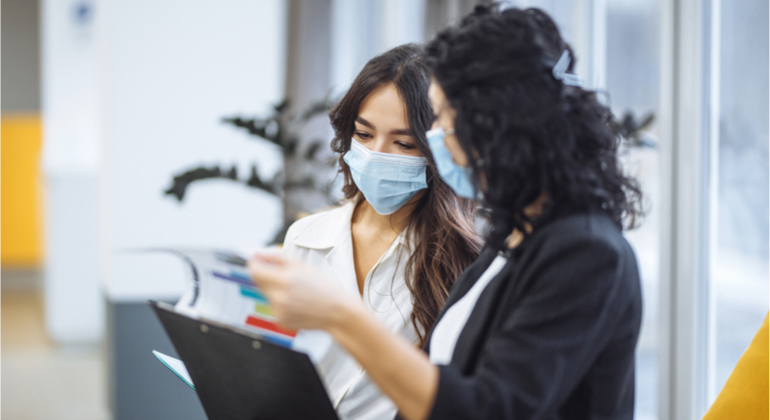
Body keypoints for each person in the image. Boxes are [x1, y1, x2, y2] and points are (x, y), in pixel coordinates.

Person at [251, 5, 644, 420]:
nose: (438, 143)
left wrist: (342, 316)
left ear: (503, 129)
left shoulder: (588, 255)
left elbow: (489, 410)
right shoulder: (511, 238)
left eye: (446, 124)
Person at [280, 44, 482, 420]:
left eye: (403, 143)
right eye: (364, 134)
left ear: (440, 150)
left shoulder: (468, 257)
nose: (377, 154)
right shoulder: (305, 237)